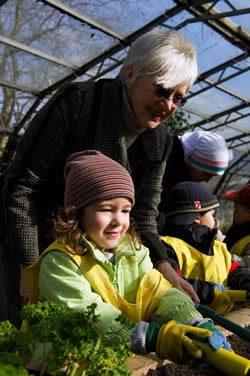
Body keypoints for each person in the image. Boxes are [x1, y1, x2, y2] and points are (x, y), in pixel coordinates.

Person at [0, 28, 200, 324]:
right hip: (35, 243)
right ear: (130, 74)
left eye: (178, 98)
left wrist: (165, 266)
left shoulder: (160, 141)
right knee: (28, 334)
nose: (169, 105)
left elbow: (143, 216)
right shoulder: (78, 105)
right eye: (161, 90)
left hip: (94, 258)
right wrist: (30, 267)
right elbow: (23, 189)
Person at [24, 151, 230, 372]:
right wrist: (152, 337)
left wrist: (194, 323)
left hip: (112, 359)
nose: (118, 221)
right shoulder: (60, 262)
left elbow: (159, 293)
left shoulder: (134, 252)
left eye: (125, 211)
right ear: (77, 212)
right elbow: (87, 314)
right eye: (106, 209)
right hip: (62, 366)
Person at [159, 181, 250, 313]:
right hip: (187, 322)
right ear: (197, 218)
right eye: (212, 215)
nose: (215, 220)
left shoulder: (218, 248)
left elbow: (233, 270)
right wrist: (209, 291)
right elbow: (174, 282)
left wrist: (246, 280)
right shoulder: (168, 248)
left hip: (220, 318)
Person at [158, 131, 229, 235]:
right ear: (191, 161)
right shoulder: (162, 167)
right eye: (206, 174)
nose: (207, 180)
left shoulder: (181, 172)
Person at [224, 183, 250, 268]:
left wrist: (221, 255)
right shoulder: (239, 230)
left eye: (237, 211)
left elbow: (245, 264)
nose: (233, 213)